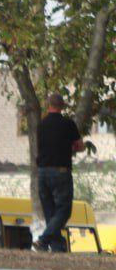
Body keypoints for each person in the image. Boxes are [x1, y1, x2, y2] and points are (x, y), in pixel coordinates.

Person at [34, 92, 85, 253]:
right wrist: (70, 147)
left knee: (50, 213)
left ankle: (57, 249)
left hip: (42, 172)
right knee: (64, 210)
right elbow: (80, 146)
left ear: (47, 106)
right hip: (60, 172)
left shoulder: (41, 125)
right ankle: (43, 240)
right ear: (62, 107)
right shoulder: (68, 124)